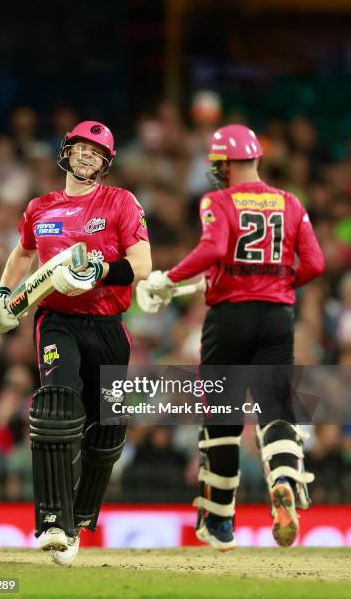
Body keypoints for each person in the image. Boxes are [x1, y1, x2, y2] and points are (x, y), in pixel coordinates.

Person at [139, 124, 324, 550]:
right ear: (257, 158)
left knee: (221, 418)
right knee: (276, 408)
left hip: (229, 318)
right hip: (277, 316)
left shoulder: (218, 200)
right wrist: (274, 281)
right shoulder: (291, 203)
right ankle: (283, 476)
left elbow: (213, 249)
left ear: (224, 163)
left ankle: (220, 522)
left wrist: (168, 278)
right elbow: (313, 264)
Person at [0, 120, 152, 565]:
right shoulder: (40, 207)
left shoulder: (120, 202)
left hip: (109, 324)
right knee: (56, 404)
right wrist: (2, 293)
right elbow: (22, 253)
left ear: (106, 163)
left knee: (109, 427)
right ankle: (54, 521)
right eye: (81, 148)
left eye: (96, 152)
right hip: (58, 320)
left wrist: (99, 271)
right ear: (67, 152)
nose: (87, 157)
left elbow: (143, 266)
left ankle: (78, 518)